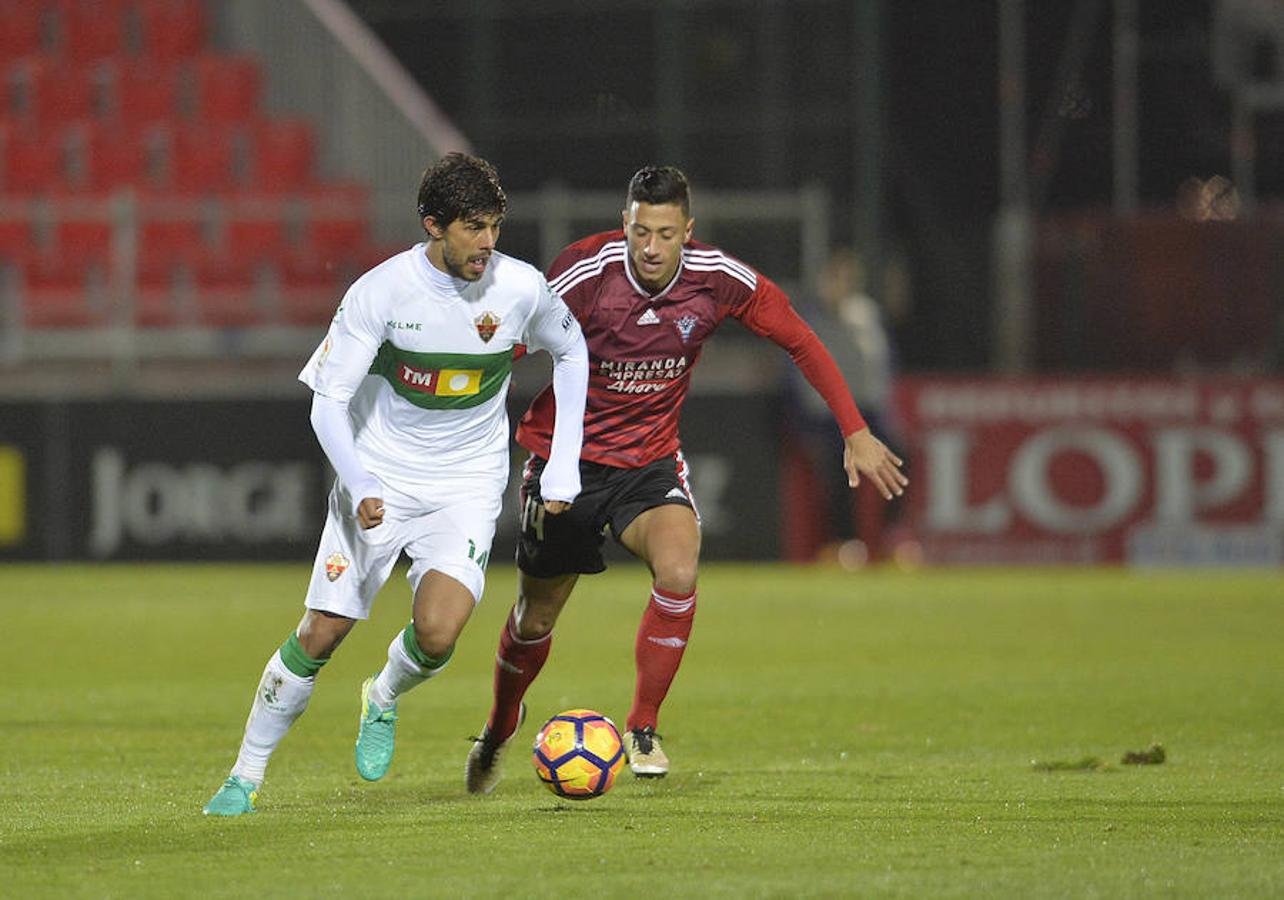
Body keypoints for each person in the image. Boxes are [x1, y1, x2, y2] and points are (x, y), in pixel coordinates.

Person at [462, 165, 906, 793]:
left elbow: (800, 338)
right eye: (640, 231)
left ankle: (642, 726)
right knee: (535, 620)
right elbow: (503, 344)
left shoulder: (718, 279)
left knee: (679, 571)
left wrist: (855, 430)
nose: (650, 247)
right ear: (625, 224)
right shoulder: (583, 273)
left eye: (665, 234)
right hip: (569, 467)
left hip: (648, 465)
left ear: (687, 232)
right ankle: (500, 726)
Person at [202, 152, 588, 816]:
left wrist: (563, 463)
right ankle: (245, 775)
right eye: (473, 228)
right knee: (322, 630)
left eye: (495, 226)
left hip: (466, 484)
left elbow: (572, 349)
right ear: (433, 225)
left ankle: (381, 696)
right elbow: (327, 404)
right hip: (380, 474)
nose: (488, 243)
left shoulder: (519, 289)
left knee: (439, 634)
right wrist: (358, 482)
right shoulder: (380, 293)